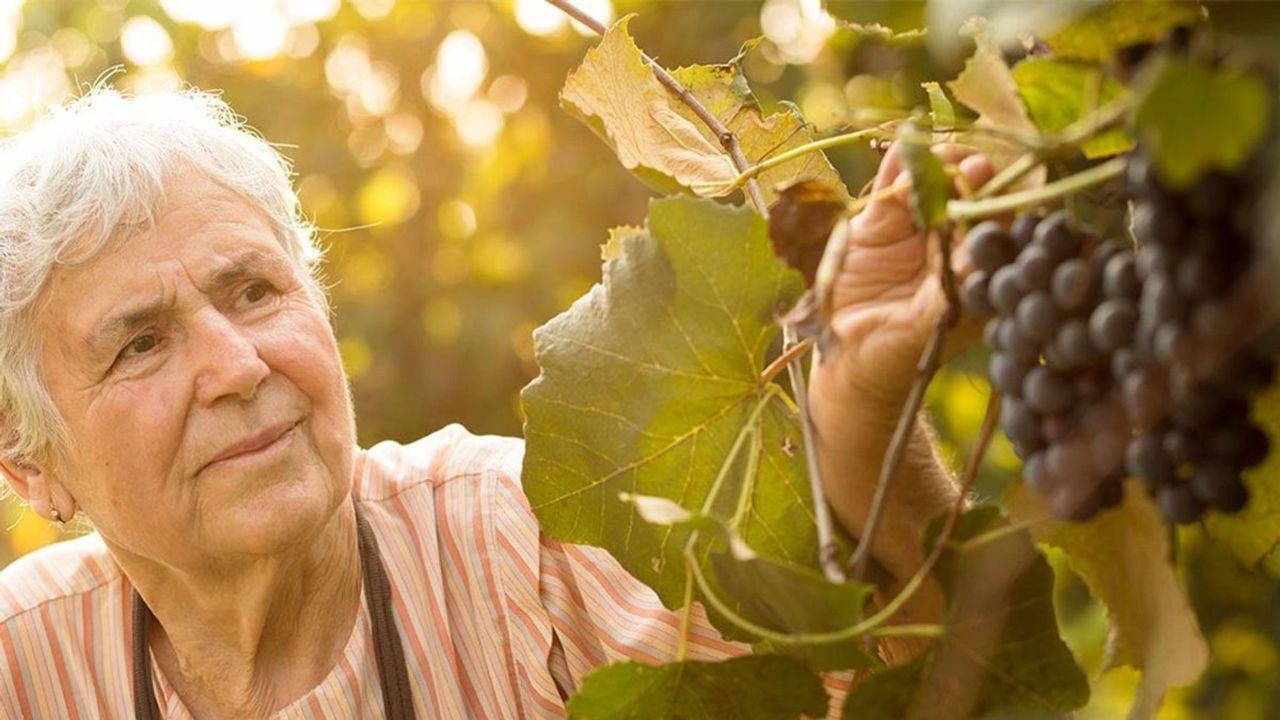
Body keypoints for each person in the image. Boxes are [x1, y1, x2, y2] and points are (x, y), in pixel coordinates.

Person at [0, 86, 990, 719]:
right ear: (29, 463)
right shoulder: (23, 665)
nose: (237, 364)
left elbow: (907, 693)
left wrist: (862, 413)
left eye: (253, 291)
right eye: (140, 343)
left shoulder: (513, 540)